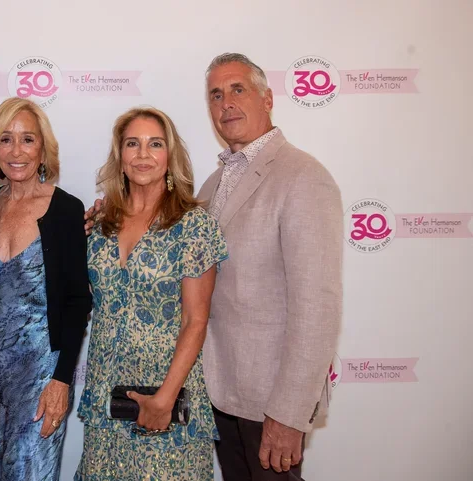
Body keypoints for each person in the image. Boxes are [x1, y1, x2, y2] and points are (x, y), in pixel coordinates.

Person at [198, 53, 342, 480]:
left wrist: (290, 412)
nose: (226, 102)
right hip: (220, 393)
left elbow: (317, 306)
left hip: (270, 402)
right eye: (216, 95)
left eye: (237, 89)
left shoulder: (303, 176)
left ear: (267, 99)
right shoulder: (214, 183)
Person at [75, 107, 228, 481]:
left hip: (167, 397)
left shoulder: (194, 225)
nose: (143, 154)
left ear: (170, 155)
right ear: (120, 155)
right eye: (133, 144)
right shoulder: (100, 224)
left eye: (155, 144)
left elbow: (195, 320)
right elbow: (82, 297)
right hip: (106, 398)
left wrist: (164, 398)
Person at [0, 97, 92, 480]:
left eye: (28, 139)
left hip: (40, 376)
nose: (16, 151)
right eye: (5, 139)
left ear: (43, 149)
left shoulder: (66, 210)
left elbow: (77, 302)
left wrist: (61, 380)